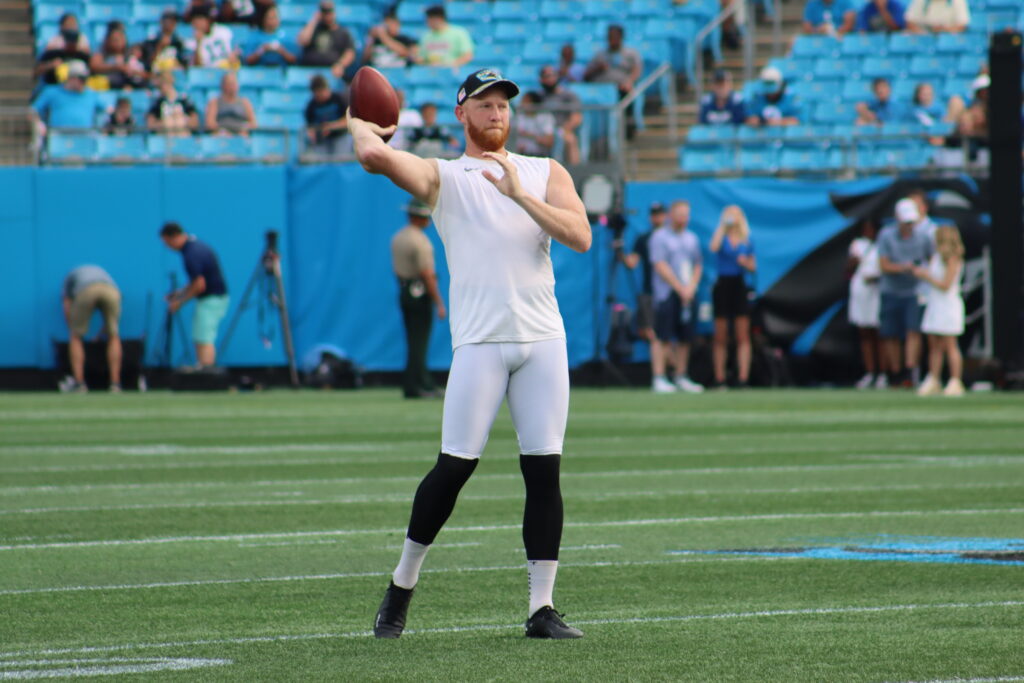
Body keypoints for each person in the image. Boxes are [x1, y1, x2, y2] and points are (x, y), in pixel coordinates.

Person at [350, 66, 591, 640]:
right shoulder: (446, 176)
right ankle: (401, 586)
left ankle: (541, 608)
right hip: (481, 343)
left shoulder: (543, 171)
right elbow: (376, 160)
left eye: (503, 104)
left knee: (544, 472)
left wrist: (521, 196)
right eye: (484, 104)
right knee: (454, 468)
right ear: (462, 113)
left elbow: (580, 236)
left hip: (542, 341)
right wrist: (360, 124)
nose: (497, 113)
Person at [391, 198, 447, 399]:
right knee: (419, 341)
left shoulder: (399, 237)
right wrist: (439, 302)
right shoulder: (420, 241)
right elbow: (427, 273)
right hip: (419, 292)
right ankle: (419, 384)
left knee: (412, 339)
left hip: (405, 291)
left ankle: (415, 382)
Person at [649, 200, 704, 394]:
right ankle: (659, 377)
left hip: (688, 293)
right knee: (662, 336)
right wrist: (679, 287)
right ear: (671, 215)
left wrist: (691, 287)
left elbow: (698, 264)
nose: (683, 218)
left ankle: (681, 376)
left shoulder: (692, 238)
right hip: (667, 293)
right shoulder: (659, 237)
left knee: (685, 337)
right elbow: (660, 264)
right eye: (680, 214)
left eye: (686, 214)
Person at [877, 198, 933, 387]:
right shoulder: (886, 235)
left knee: (913, 331)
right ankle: (896, 373)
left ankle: (910, 372)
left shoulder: (924, 236)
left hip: (915, 291)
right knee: (890, 333)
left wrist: (922, 272)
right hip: (891, 290)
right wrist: (903, 268)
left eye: (911, 222)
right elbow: (883, 265)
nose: (909, 226)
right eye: (906, 222)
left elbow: (932, 260)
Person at [159, 222, 230, 368]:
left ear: (173, 237)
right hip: (212, 298)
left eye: (166, 242)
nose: (167, 247)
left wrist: (179, 302)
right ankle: (203, 369)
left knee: (204, 338)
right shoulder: (195, 246)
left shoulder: (191, 254)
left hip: (212, 299)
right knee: (200, 336)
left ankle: (206, 372)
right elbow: (197, 281)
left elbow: (199, 285)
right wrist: (179, 293)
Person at [913, 225, 965, 397]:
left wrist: (926, 276)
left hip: (948, 304)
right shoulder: (936, 257)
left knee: (950, 344)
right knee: (934, 344)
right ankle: (933, 379)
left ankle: (955, 381)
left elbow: (945, 285)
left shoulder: (953, 258)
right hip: (935, 303)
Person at [709, 205, 756, 388]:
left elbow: (753, 266)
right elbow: (713, 247)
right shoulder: (722, 237)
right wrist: (723, 226)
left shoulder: (747, 239)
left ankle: (743, 377)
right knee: (720, 335)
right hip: (723, 284)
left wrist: (745, 263)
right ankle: (720, 378)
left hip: (739, 284)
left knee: (742, 335)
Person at [59, 265, 122, 393]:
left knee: (76, 337)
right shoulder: (103, 274)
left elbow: (67, 305)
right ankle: (115, 384)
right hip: (112, 291)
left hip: (85, 290)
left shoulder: (71, 277)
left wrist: (72, 327)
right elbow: (112, 319)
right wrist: (102, 333)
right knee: (114, 335)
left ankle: (79, 383)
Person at [622, 201, 668, 345]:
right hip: (650, 290)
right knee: (649, 331)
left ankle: (676, 365)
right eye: (654, 215)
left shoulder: (672, 238)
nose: (657, 218)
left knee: (668, 332)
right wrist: (619, 250)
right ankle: (665, 363)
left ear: (665, 216)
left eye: (659, 214)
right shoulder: (643, 239)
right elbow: (632, 262)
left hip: (670, 291)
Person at [847, 220, 885, 389]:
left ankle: (883, 373)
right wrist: (854, 261)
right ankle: (870, 372)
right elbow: (848, 269)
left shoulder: (883, 244)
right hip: (861, 291)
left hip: (877, 292)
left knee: (879, 333)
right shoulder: (857, 244)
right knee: (864, 333)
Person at [29, 61, 104, 137]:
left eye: (85, 79)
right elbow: (33, 111)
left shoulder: (91, 94)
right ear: (71, 78)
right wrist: (39, 124)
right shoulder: (52, 91)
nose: (84, 82)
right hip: (58, 134)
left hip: (85, 135)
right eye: (81, 79)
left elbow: (107, 110)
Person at [297, 1, 356, 79]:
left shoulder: (343, 32)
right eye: (324, 12)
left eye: (329, 12)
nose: (327, 15)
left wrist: (340, 64)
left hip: (332, 71)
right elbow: (302, 41)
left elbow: (350, 53)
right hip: (309, 71)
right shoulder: (313, 29)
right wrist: (313, 21)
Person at [537, 65, 582, 165]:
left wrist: (563, 129)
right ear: (541, 79)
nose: (550, 79)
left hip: (562, 129)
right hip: (541, 131)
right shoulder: (538, 97)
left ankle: (574, 172)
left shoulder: (568, 95)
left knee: (570, 139)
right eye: (547, 76)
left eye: (553, 75)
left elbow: (576, 117)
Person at [584, 25, 642, 99]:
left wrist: (629, 81)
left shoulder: (631, 53)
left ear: (621, 37)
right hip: (601, 88)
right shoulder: (600, 54)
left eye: (615, 37)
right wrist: (597, 68)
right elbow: (586, 76)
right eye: (610, 37)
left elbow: (637, 70)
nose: (612, 39)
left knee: (628, 90)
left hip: (621, 87)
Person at [34, 13, 91, 86]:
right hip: (54, 87)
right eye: (69, 40)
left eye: (73, 24)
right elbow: (36, 72)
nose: (71, 44)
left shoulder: (82, 55)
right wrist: (51, 65)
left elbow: (92, 68)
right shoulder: (53, 51)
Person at [90, 22, 147, 91]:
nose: (118, 43)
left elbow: (145, 75)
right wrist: (117, 67)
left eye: (120, 39)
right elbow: (94, 66)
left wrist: (132, 71)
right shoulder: (102, 53)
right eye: (115, 40)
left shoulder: (130, 55)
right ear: (108, 41)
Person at [304, 74, 349, 155]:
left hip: (341, 137)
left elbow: (348, 121)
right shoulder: (311, 105)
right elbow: (310, 127)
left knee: (340, 161)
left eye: (322, 91)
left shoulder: (338, 99)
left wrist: (331, 126)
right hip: (323, 140)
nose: (321, 95)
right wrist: (315, 133)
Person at [146, 70, 200, 135]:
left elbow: (195, 122)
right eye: (160, 85)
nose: (163, 87)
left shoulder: (184, 99)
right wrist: (165, 122)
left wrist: (182, 120)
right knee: (169, 122)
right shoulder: (157, 102)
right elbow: (151, 125)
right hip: (164, 134)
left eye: (165, 83)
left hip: (183, 130)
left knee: (179, 121)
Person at [205, 71, 257, 136]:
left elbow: (253, 123)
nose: (232, 86)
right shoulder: (214, 102)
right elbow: (210, 123)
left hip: (241, 133)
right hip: (221, 134)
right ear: (223, 85)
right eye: (229, 84)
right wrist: (221, 131)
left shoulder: (245, 102)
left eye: (234, 83)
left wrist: (245, 129)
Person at [513, 91, 556, 157]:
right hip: (521, 155)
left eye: (526, 101)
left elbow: (549, 142)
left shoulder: (545, 117)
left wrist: (529, 135)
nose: (522, 104)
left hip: (540, 156)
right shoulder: (519, 117)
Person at [905, 0, 969, 33]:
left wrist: (943, 30)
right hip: (923, 38)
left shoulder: (957, 1)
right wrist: (926, 33)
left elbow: (962, 25)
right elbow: (910, 22)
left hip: (949, 39)